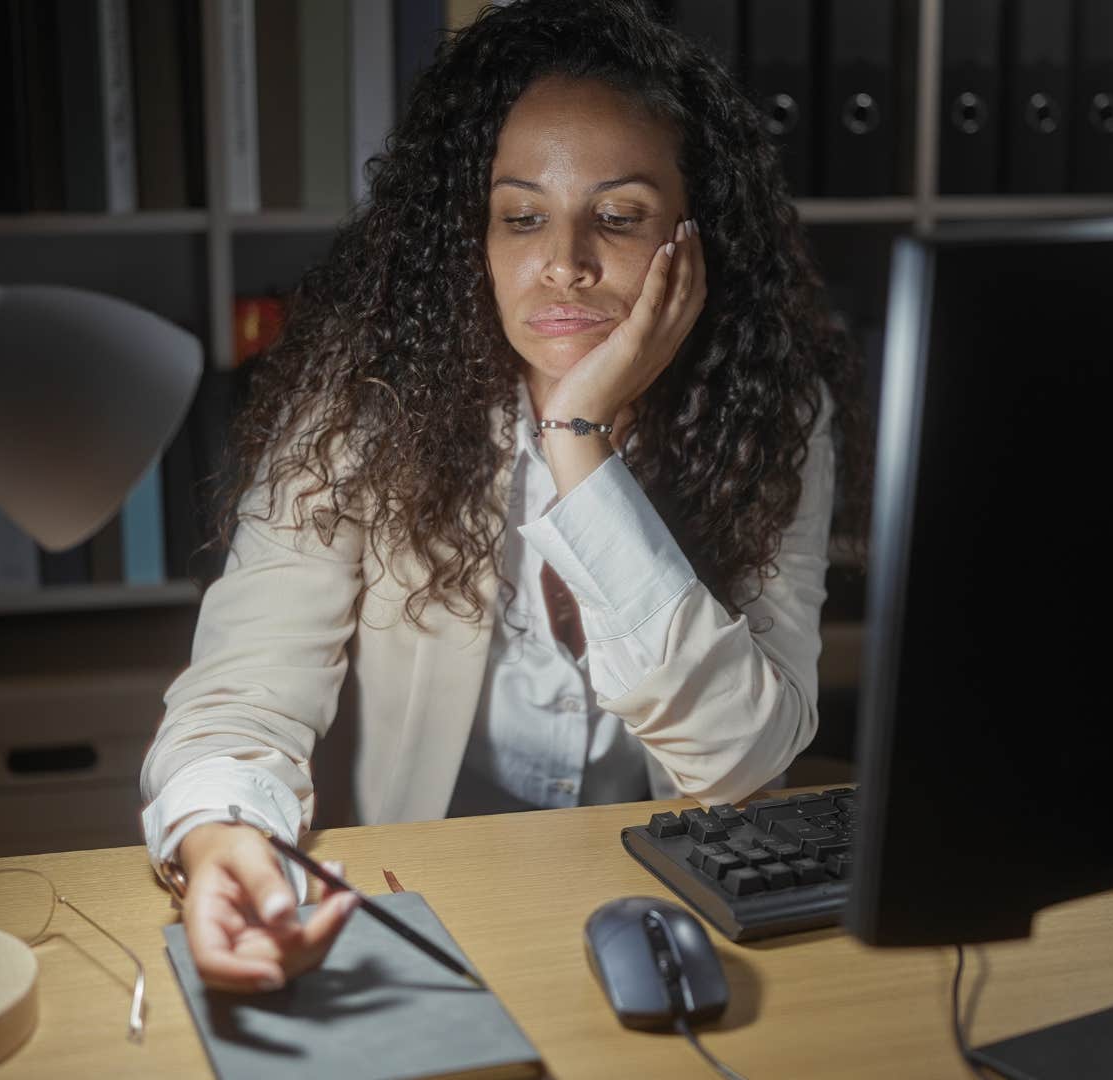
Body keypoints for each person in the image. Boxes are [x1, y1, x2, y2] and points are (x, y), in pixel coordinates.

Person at [140, 0, 870, 994]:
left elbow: (740, 763)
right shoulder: (366, 393)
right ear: (470, 239)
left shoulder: (777, 417)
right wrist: (221, 835)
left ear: (695, 245)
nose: (563, 261)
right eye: (522, 215)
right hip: (433, 904)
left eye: (617, 216)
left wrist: (579, 444)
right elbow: (242, 692)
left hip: (670, 902)